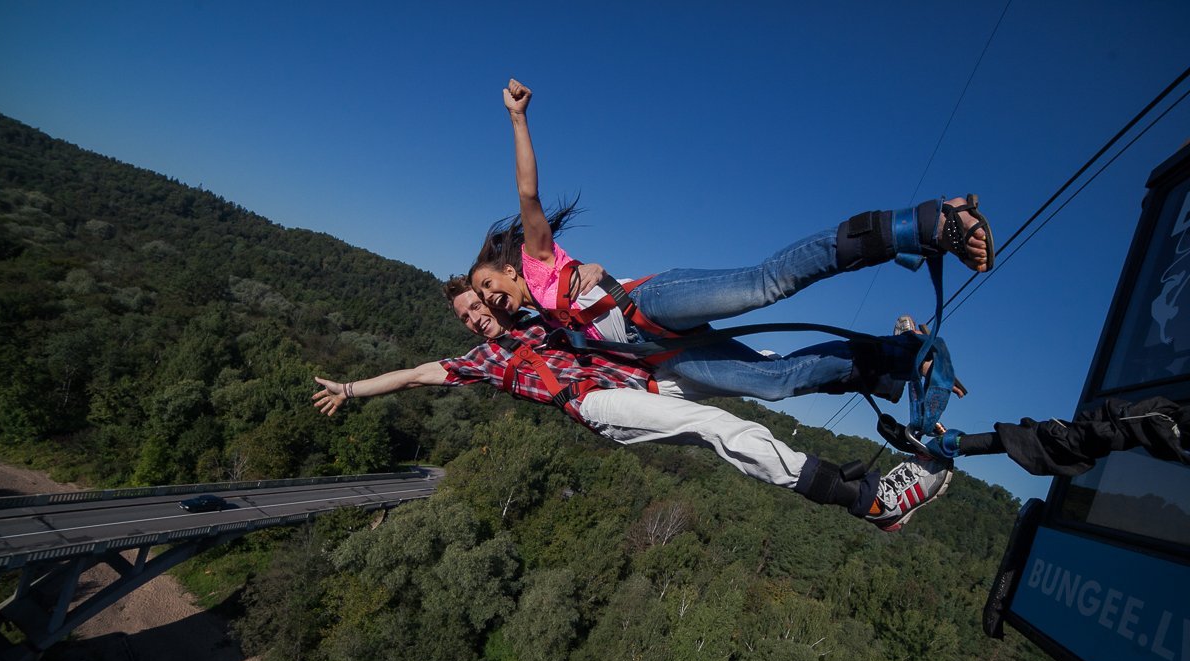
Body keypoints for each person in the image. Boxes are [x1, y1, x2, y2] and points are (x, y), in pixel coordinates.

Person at [466, 79, 992, 403]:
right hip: (659, 355)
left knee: (762, 285)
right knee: (773, 383)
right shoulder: (533, 327)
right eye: (483, 298)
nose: (489, 297)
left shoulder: (534, 262)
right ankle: (897, 356)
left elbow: (527, 190)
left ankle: (924, 222)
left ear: (507, 269)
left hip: (648, 306)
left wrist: (517, 118)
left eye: (487, 284)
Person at [312, 278, 953, 533]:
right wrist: (349, 389)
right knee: (715, 427)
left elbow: (557, 276)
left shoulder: (537, 320)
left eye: (479, 306)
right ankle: (864, 498)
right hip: (599, 406)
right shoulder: (478, 362)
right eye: (466, 315)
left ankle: (894, 361)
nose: (477, 318)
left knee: (760, 376)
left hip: (646, 382)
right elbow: (410, 375)